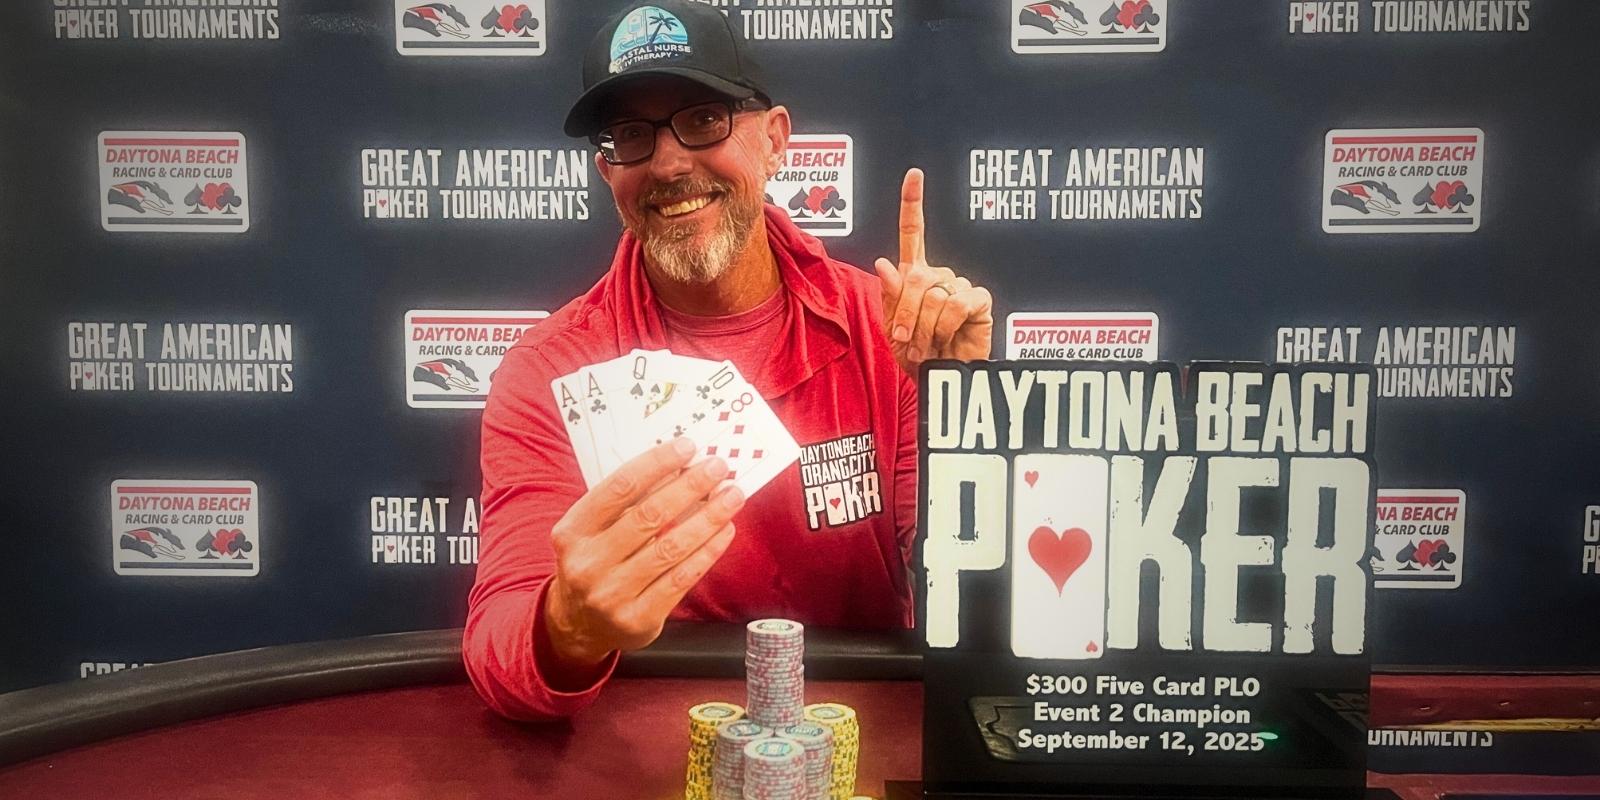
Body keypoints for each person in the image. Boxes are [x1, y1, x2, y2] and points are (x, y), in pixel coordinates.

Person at [462, 0, 995, 721]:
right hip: (646, 744)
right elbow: (499, 646)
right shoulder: (550, 370)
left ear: (775, 141)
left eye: (704, 119)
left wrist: (964, 416)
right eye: (630, 136)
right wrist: (567, 626)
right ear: (605, 169)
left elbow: (981, 595)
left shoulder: (884, 328)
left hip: (858, 730)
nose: (671, 163)